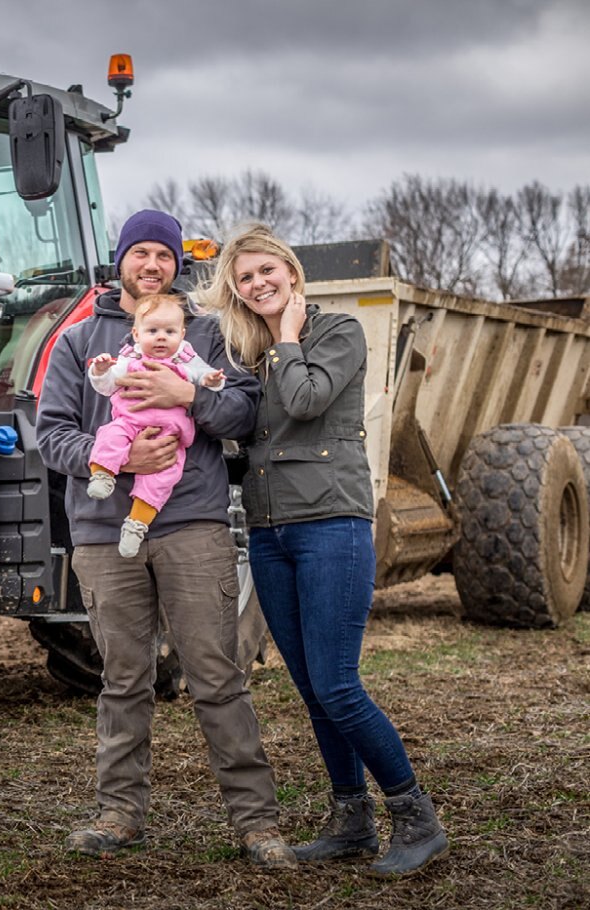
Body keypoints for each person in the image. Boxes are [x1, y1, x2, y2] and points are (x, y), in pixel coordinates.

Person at [37, 210, 295, 868]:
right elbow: (52, 435)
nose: (151, 264)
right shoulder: (77, 342)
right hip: (103, 532)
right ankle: (120, 813)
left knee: (216, 674)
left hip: (191, 525)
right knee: (123, 678)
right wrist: (119, 459)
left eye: (163, 255)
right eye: (139, 253)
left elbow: (242, 410)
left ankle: (256, 822)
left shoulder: (206, 333)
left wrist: (189, 393)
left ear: (177, 264)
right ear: (120, 259)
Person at [199, 222, 449, 877]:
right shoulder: (247, 355)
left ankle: (416, 816)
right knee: (311, 688)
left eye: (265, 272)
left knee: (339, 685)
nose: (257, 284)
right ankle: (351, 820)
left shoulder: (336, 332)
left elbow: (307, 401)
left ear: (291, 273)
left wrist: (284, 337)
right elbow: (242, 440)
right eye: (244, 278)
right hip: (269, 531)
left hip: (331, 524)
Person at [86, 293, 225, 557]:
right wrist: (101, 371)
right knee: (109, 435)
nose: (161, 337)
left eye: (170, 331)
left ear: (182, 335)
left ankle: (136, 525)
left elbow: (205, 376)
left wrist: (212, 381)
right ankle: (103, 473)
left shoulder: (186, 361)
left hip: (170, 438)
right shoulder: (128, 361)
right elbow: (105, 387)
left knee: (163, 479)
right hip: (129, 423)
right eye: (153, 330)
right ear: (136, 335)